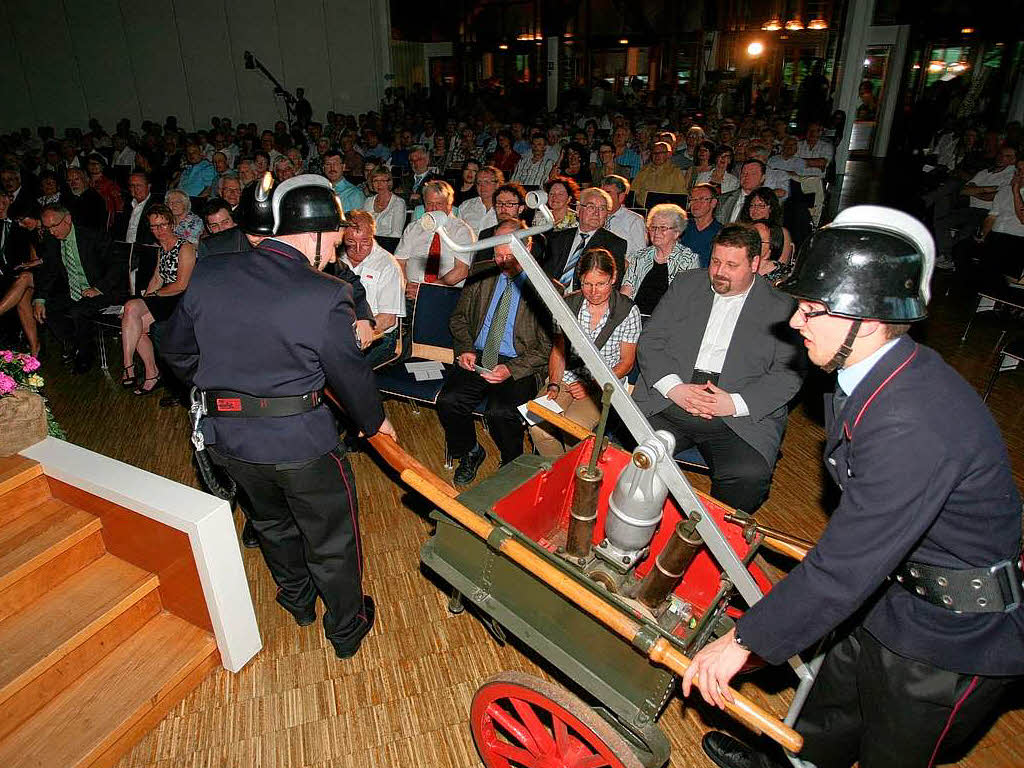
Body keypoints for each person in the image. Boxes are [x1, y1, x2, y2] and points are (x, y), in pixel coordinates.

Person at [688, 206, 1023, 768]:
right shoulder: (869, 372)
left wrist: (744, 641)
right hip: (891, 586)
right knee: (828, 711)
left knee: (891, 749)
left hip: (950, 634)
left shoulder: (914, 421)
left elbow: (847, 562)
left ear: (866, 321)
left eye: (813, 310)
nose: (796, 322)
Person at [159, 174, 397, 660]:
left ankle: (297, 601)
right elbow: (348, 375)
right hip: (302, 444)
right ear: (310, 234)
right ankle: (346, 627)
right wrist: (375, 424)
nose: (334, 251)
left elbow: (174, 351)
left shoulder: (209, 272)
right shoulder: (326, 292)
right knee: (330, 535)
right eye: (332, 240)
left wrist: (222, 385)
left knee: (271, 524)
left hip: (231, 442)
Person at [632, 224, 806, 512]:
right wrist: (673, 387)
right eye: (715, 261)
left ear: (755, 263)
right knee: (631, 448)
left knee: (747, 476)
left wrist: (733, 403)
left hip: (736, 410)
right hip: (673, 397)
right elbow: (651, 338)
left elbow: (789, 374)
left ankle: (717, 544)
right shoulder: (687, 284)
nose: (719, 272)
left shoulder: (782, 307)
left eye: (731, 265)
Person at [438, 219, 552, 485]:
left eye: (509, 255)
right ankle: (471, 451)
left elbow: (547, 347)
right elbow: (459, 318)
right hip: (479, 355)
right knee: (449, 401)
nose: (502, 261)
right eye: (497, 254)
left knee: (500, 413)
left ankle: (512, 462)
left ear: (528, 246)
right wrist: (466, 348)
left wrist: (511, 369)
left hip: (518, 362)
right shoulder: (481, 274)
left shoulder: (546, 289)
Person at [532, 248, 641, 457]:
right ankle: (562, 476)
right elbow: (558, 350)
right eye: (587, 284)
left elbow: (626, 363)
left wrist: (590, 385)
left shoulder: (627, 311)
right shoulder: (568, 305)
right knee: (538, 426)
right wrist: (554, 383)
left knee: (574, 429)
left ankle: (581, 478)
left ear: (614, 278)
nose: (594, 291)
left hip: (602, 383)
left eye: (601, 284)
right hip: (566, 376)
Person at [33, 204, 126, 373]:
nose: (52, 232)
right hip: (73, 291)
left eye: (54, 226)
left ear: (67, 219)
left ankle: (85, 356)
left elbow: (117, 265)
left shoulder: (93, 236)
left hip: (103, 290)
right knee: (48, 308)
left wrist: (99, 287)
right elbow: (49, 272)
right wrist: (40, 299)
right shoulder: (52, 241)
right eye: (47, 228)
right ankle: (74, 344)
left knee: (78, 311)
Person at [119, 203, 196, 394]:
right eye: (153, 226)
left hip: (182, 298)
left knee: (131, 309)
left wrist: (151, 297)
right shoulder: (162, 248)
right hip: (165, 297)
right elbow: (157, 278)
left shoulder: (185, 247)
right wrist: (146, 298)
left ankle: (128, 366)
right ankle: (151, 373)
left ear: (171, 224)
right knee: (134, 323)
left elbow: (181, 284)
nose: (158, 230)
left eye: (162, 225)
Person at [394, 180, 476, 306]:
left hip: (445, 295)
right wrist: (405, 285)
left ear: (450, 204)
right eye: (429, 203)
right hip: (410, 295)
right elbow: (399, 262)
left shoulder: (461, 230)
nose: (433, 209)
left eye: (439, 204)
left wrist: (426, 291)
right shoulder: (414, 228)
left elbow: (461, 271)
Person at [340, 211, 405, 368]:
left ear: (373, 236)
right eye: (350, 241)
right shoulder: (335, 259)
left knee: (343, 369)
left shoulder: (387, 264)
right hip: (341, 331)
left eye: (365, 242)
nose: (358, 248)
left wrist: (351, 335)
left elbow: (388, 319)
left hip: (380, 335)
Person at [544, 186, 627, 292]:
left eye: (602, 209)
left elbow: (612, 285)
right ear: (578, 209)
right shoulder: (557, 238)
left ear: (607, 214)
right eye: (591, 207)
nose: (596, 213)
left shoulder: (614, 244)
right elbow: (545, 273)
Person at [622, 204, 700, 314]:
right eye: (653, 227)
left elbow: (687, 300)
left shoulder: (688, 259)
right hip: (635, 320)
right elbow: (625, 294)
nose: (656, 232)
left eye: (663, 228)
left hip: (668, 322)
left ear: (677, 232)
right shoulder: (639, 257)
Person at [738, 187, 794, 264]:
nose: (755, 209)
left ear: (771, 208)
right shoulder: (743, 229)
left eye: (761, 205)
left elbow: (782, 263)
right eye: (752, 205)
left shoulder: (782, 232)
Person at [631, 141, 688, 207]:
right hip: (642, 209)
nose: (656, 155)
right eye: (654, 153)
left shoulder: (675, 172)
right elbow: (633, 191)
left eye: (660, 153)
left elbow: (680, 196)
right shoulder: (644, 171)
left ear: (668, 154)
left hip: (665, 210)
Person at [601, 175, 647, 256]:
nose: (603, 198)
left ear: (621, 197)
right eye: (601, 194)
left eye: (608, 193)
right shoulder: (596, 216)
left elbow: (641, 254)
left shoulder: (634, 220)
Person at [681, 183, 722, 268]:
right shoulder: (682, 227)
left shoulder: (721, 232)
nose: (696, 203)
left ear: (713, 203)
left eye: (702, 199)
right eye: (693, 199)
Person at [716, 159, 767, 224]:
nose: (746, 176)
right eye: (744, 173)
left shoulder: (766, 204)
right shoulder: (723, 199)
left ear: (762, 178)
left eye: (752, 173)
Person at [361, 167, 407, 238]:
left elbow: (396, 234)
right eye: (375, 181)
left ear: (389, 182)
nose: (379, 185)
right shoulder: (368, 201)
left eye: (383, 181)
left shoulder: (398, 203)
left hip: (388, 244)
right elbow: (363, 227)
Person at [459, 166, 502, 235]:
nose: (482, 186)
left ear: (497, 184)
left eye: (486, 182)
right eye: (479, 182)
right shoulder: (466, 206)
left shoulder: (504, 208)